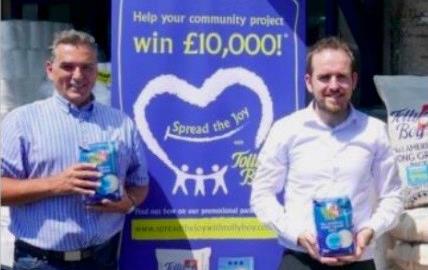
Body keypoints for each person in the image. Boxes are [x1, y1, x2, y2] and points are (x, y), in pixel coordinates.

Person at [1, 29, 149, 270]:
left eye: (87, 67)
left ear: (96, 71)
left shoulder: (121, 123)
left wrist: (128, 203)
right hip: (40, 262)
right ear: (50, 69)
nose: (78, 76)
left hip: (103, 258)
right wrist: (57, 184)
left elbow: (139, 182)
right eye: (68, 66)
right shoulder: (21, 121)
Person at [250, 37, 403, 270]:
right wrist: (297, 235)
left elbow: (393, 196)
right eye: (324, 77)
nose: (334, 85)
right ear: (309, 82)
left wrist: (370, 231)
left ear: (353, 81)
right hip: (300, 260)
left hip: (358, 261)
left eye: (341, 77)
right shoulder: (286, 130)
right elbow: (262, 196)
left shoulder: (374, 132)